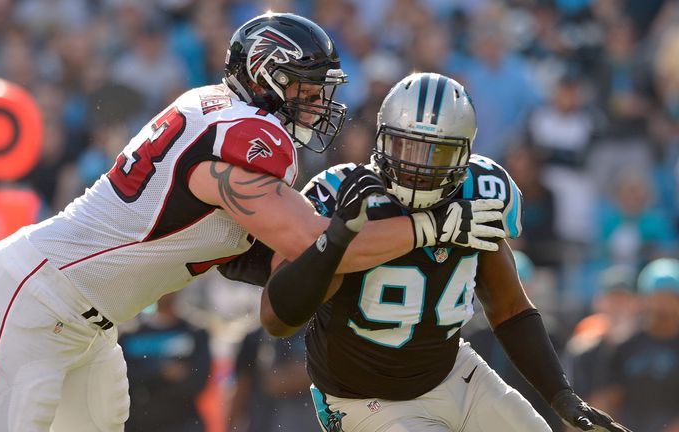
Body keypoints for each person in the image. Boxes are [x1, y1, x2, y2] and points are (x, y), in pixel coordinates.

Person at [0, 13, 502, 432]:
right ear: (266, 76)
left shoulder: (215, 110)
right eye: (306, 89)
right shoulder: (247, 135)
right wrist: (435, 226)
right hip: (34, 297)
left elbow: (272, 259)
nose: (317, 105)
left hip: (84, 322)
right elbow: (318, 247)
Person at [257, 73, 632, 431]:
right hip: (362, 397)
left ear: (463, 155)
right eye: (407, 145)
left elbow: (510, 308)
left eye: (435, 153)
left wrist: (562, 396)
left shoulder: (480, 192)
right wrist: (337, 237)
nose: (417, 166)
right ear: (383, 140)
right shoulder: (347, 194)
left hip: (451, 372)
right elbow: (278, 319)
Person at [590, 258, 679, 432]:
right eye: (658, 297)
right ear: (644, 299)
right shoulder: (624, 346)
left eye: (671, 298)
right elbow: (606, 398)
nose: (663, 305)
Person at [118, 292, 210, 431]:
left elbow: (196, 382)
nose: (166, 292)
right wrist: (161, 372)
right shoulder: (130, 334)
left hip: (182, 423)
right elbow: (123, 381)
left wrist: (147, 377)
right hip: (139, 424)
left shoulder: (195, 332)